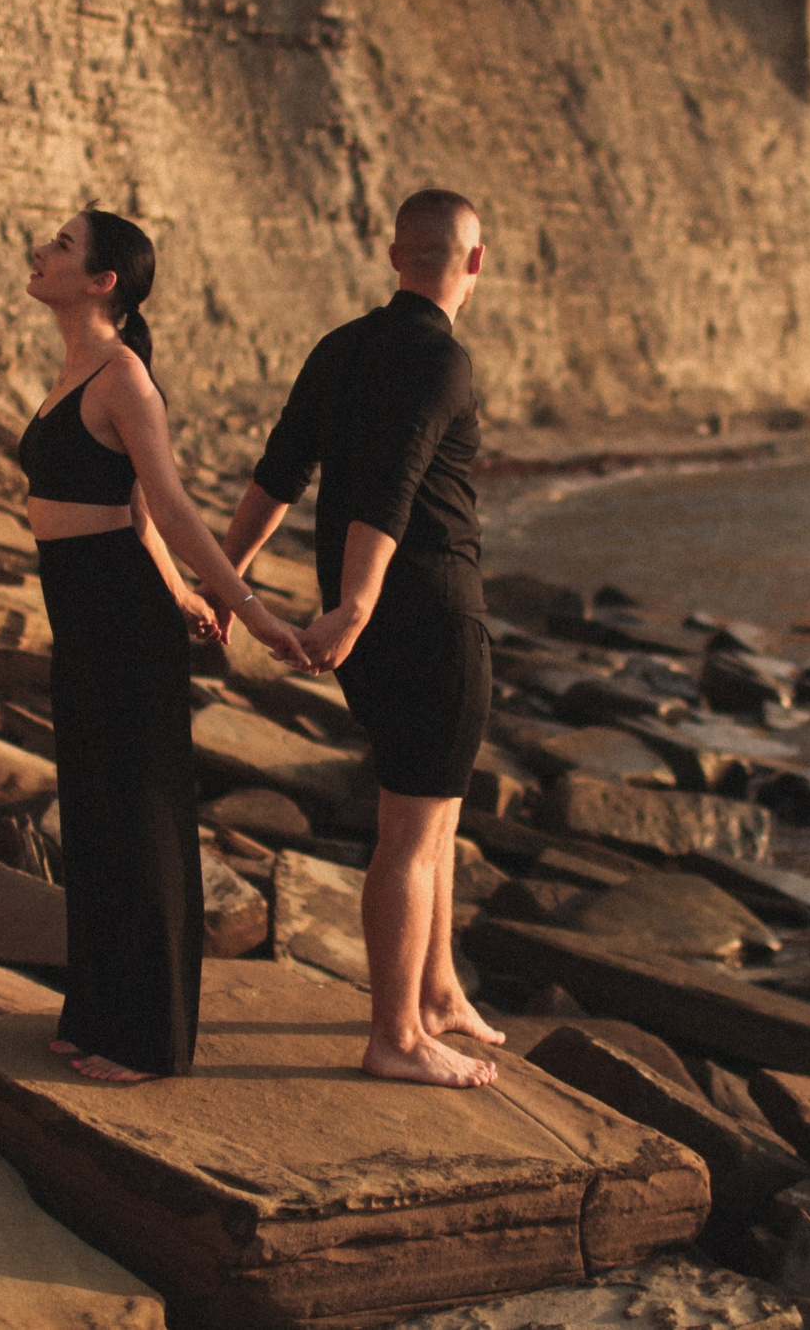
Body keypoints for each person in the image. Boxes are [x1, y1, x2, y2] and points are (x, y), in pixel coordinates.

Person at [218, 188, 506, 1089]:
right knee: (412, 835)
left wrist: (224, 581)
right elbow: (391, 486)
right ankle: (396, 1036)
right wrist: (354, 604)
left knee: (435, 808)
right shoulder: (442, 362)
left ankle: (440, 990)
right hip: (424, 616)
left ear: (393, 257)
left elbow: (280, 472)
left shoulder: (340, 347)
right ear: (475, 262)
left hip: (382, 622)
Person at [19, 209, 308, 1083]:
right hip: (89, 602)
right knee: (95, 807)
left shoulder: (124, 378)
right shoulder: (76, 367)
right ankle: (99, 1010)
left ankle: (151, 1039)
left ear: (103, 280)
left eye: (63, 245)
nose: (41, 249)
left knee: (142, 815)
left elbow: (172, 507)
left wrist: (248, 611)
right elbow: (132, 510)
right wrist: (184, 592)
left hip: (117, 613)